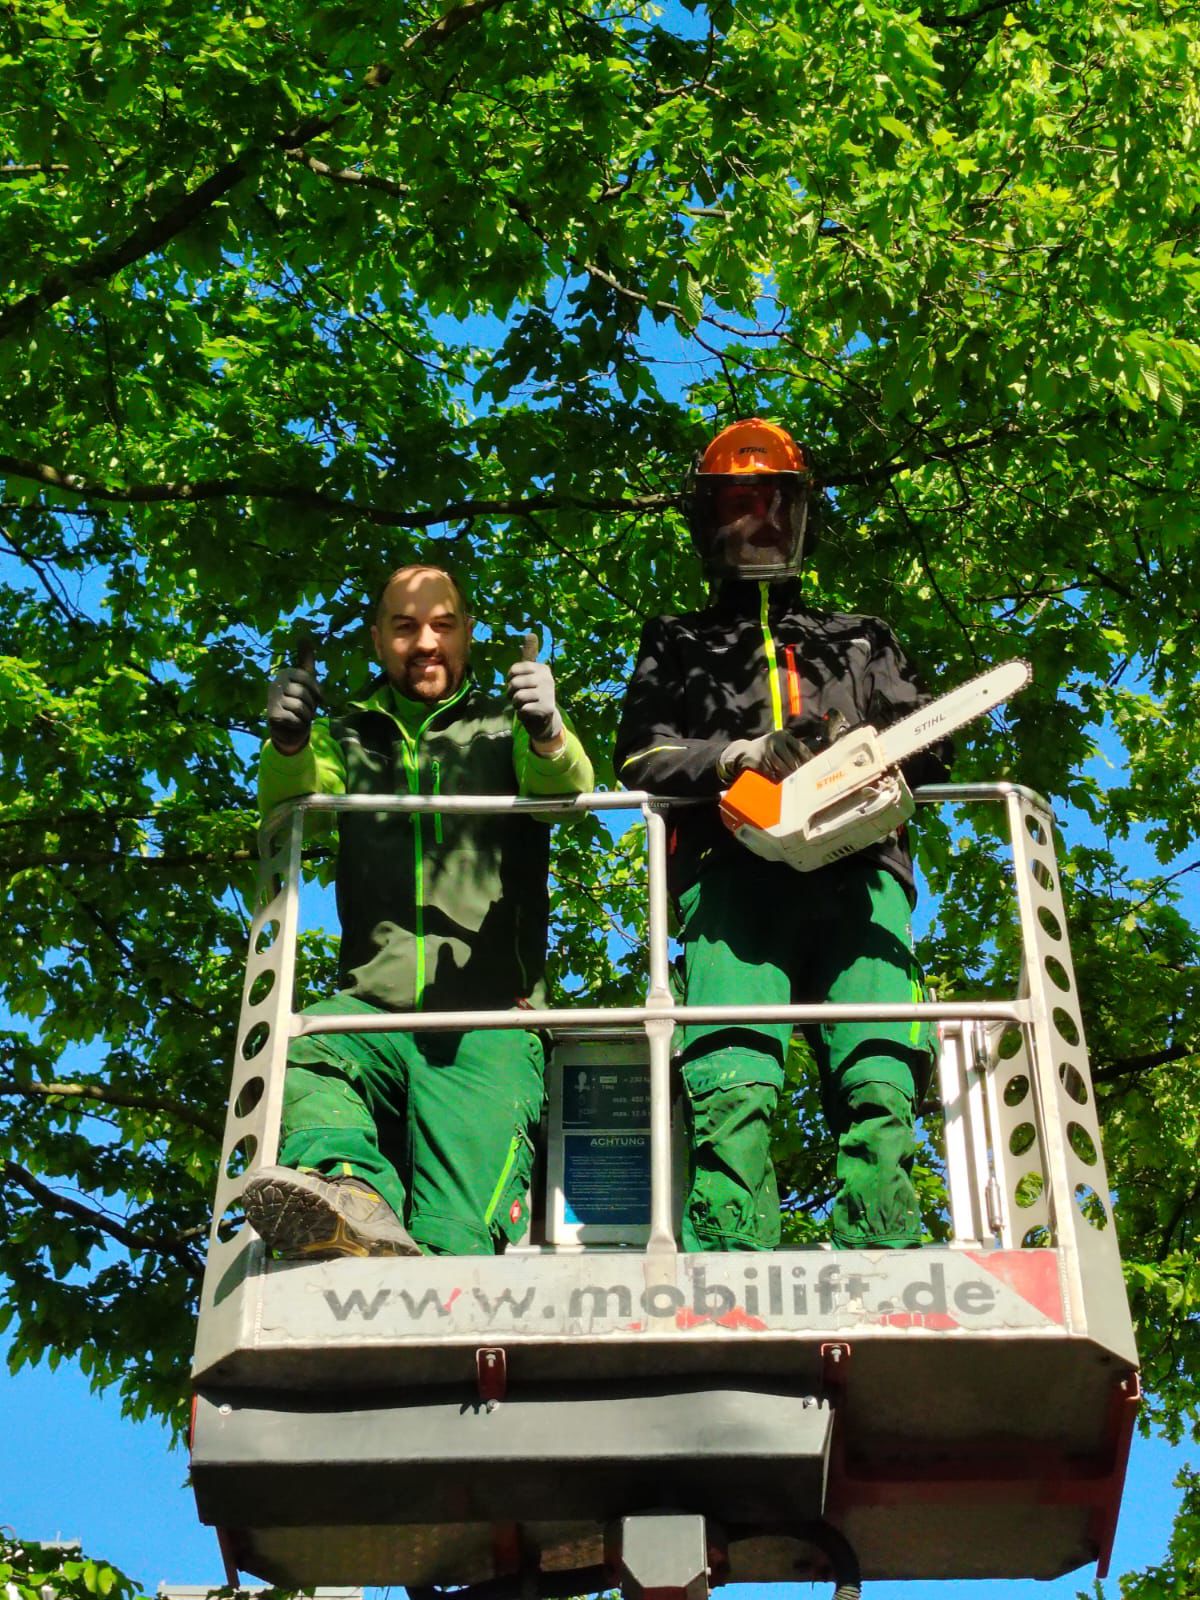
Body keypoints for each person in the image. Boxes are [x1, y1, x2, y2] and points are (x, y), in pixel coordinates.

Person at [614, 419, 949, 1253]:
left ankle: (882, 1235)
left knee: (878, 1053)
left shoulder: (859, 636)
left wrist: (859, 756)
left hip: (860, 867)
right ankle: (728, 1243)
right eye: (739, 505)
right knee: (732, 1065)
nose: (760, 522)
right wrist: (740, 755)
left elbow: (931, 743)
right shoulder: (679, 642)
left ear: (800, 515)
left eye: (773, 504)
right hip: (733, 877)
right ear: (710, 521)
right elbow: (642, 755)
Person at [243, 562, 594, 1259]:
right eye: (405, 627)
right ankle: (355, 1196)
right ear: (378, 639)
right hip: (371, 1013)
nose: (425, 642)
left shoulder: (504, 726)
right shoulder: (346, 736)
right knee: (301, 1051)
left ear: (467, 634)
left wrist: (548, 728)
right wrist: (287, 743)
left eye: (442, 625)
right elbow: (293, 809)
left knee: (457, 1245)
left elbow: (566, 790)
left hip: (488, 1022)